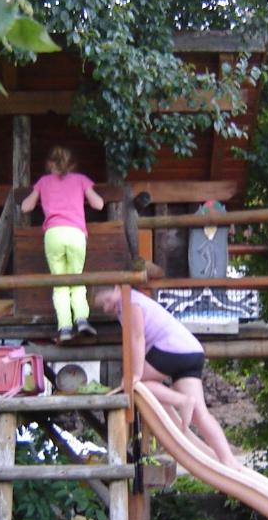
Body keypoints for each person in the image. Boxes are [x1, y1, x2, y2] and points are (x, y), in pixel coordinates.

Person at [93, 285, 239, 469]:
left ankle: (182, 401)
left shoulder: (130, 301)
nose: (106, 308)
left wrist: (135, 374)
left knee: (140, 384)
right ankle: (228, 460)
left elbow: (137, 339)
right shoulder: (128, 305)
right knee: (200, 413)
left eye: (107, 300)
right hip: (192, 351)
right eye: (102, 307)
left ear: (117, 288)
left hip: (173, 349)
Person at [21, 146, 105, 343]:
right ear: (72, 164)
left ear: (49, 164)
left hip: (53, 234)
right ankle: (82, 319)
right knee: (76, 278)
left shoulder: (43, 182)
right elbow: (99, 204)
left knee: (59, 283)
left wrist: (39, 193)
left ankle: (65, 327)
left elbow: (26, 207)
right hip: (76, 234)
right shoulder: (81, 180)